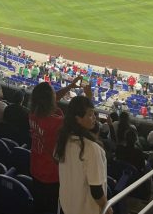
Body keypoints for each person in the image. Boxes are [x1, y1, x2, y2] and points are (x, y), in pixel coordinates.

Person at [29, 76, 88, 214]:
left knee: (39, 206)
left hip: (35, 168)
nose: (55, 94)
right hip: (51, 175)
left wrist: (69, 87)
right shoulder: (56, 123)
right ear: (49, 101)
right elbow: (80, 121)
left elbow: (50, 100)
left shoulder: (33, 113)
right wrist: (88, 98)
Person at [54, 95, 111, 214]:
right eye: (90, 115)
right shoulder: (91, 149)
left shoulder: (64, 140)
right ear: (78, 119)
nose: (94, 118)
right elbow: (96, 190)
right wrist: (108, 209)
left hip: (66, 207)